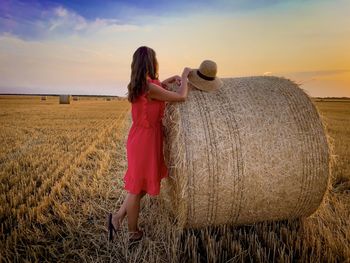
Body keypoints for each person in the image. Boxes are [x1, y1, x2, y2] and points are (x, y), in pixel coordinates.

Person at [107, 46, 191, 243]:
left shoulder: (141, 85)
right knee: (137, 189)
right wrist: (185, 75)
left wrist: (168, 80)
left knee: (140, 186)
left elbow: (155, 89)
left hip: (142, 139)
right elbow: (181, 97)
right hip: (145, 142)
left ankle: (117, 218)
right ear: (152, 63)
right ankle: (133, 233)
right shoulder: (149, 87)